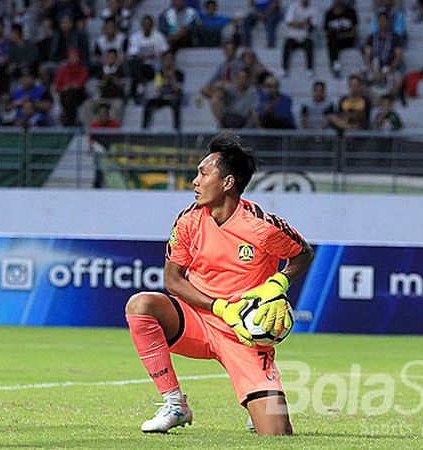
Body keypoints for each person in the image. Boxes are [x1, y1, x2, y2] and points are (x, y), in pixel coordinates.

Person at [125, 133, 314, 434]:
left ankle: (258, 405)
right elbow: (173, 280)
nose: (194, 182)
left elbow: (303, 253)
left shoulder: (261, 226)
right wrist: (218, 307)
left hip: (244, 333)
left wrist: (278, 282)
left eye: (203, 173)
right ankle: (175, 404)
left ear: (228, 183)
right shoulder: (188, 220)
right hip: (196, 320)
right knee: (141, 305)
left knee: (277, 434)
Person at [281, 0, 318, 78]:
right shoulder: (293, 7)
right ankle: (284, 69)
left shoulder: (314, 9)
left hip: (305, 37)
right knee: (287, 44)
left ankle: (309, 69)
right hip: (293, 37)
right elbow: (288, 22)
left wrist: (306, 24)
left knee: (309, 44)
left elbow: (314, 26)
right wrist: (303, 23)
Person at [323, 0, 358, 78]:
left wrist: (343, 35)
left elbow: (355, 31)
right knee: (332, 40)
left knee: (335, 39)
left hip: (348, 40)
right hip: (335, 41)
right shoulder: (328, 13)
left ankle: (335, 63)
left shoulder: (351, 12)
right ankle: (335, 64)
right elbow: (326, 32)